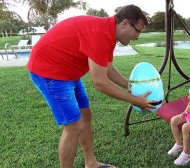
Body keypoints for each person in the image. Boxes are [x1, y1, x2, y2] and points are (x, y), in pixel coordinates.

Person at [26, 5, 156, 168]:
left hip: (68, 72)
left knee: (85, 116)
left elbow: (108, 69)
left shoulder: (109, 33)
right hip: (49, 71)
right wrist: (135, 100)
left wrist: (129, 86)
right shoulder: (100, 33)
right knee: (74, 126)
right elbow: (100, 82)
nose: (138, 37)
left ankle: (91, 163)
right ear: (125, 23)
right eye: (137, 31)